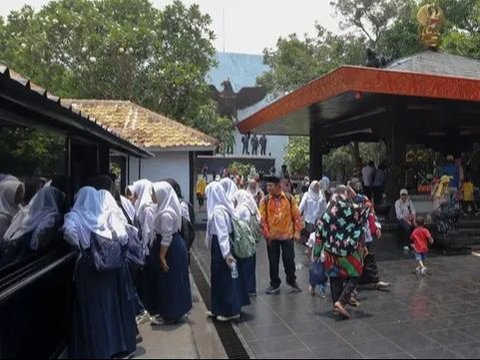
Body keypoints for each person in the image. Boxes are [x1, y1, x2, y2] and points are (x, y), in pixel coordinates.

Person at [64, 187, 136, 359]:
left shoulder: (75, 216)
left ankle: (96, 350)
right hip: (108, 270)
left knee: (91, 310)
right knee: (109, 308)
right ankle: (114, 347)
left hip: (87, 269)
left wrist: (81, 245)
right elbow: (123, 236)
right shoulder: (104, 216)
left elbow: (68, 232)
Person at [316, 185, 370, 319]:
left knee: (335, 278)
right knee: (355, 274)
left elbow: (319, 233)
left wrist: (317, 253)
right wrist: (356, 195)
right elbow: (368, 206)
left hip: (330, 252)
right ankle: (341, 302)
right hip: (348, 252)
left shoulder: (327, 213)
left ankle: (336, 307)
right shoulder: (352, 210)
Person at [205, 182, 250, 321]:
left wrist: (226, 254)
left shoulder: (218, 211)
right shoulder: (226, 207)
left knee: (224, 279)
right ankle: (218, 308)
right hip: (222, 247)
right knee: (220, 278)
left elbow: (222, 234)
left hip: (221, 248)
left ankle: (230, 311)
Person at [148, 182, 192, 324]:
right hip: (173, 247)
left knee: (169, 282)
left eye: (154, 193)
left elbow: (166, 237)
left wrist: (161, 256)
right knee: (175, 280)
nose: (152, 196)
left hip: (169, 248)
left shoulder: (166, 213)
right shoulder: (166, 208)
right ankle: (177, 311)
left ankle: (168, 315)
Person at [259, 176, 303, 294]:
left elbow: (297, 216)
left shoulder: (289, 198)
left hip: (287, 235)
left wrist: (297, 232)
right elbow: (262, 219)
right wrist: (267, 234)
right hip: (272, 237)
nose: (268, 188)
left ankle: (291, 280)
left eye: (270, 185)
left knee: (289, 260)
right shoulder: (265, 200)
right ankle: (274, 283)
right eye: (267, 186)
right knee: (273, 262)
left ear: (278, 186)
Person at [347, 178, 390, 291]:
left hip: (365, 233)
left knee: (369, 256)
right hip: (353, 234)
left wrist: (376, 227)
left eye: (359, 185)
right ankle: (352, 282)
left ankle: (374, 280)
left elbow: (371, 213)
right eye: (355, 185)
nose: (358, 187)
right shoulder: (347, 200)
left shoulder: (364, 199)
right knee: (355, 258)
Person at [233, 189, 259, 296]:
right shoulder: (251, 207)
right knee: (251, 263)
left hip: (244, 240)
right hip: (251, 238)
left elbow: (236, 221)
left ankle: (247, 288)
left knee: (246, 264)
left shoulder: (242, 208)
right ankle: (251, 287)